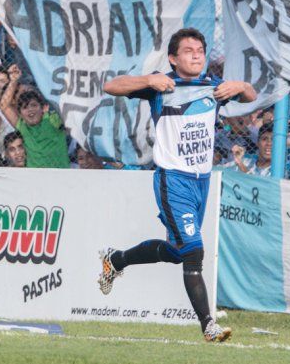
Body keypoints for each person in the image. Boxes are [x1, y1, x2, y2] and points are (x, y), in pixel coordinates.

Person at [98, 28, 256, 342]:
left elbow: (250, 95)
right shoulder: (161, 85)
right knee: (194, 251)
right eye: (188, 50)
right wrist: (147, 80)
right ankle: (208, 326)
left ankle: (115, 260)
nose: (197, 55)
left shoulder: (212, 86)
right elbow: (111, 85)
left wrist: (240, 85)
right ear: (173, 58)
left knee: (177, 252)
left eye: (200, 50)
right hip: (173, 180)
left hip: (202, 181)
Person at [0, 89, 69, 168]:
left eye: (34, 105)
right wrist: (13, 80)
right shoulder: (22, 127)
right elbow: (4, 106)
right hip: (33, 177)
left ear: (42, 108)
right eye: (25, 107)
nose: (30, 109)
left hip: (61, 175)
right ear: (21, 114)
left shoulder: (53, 119)